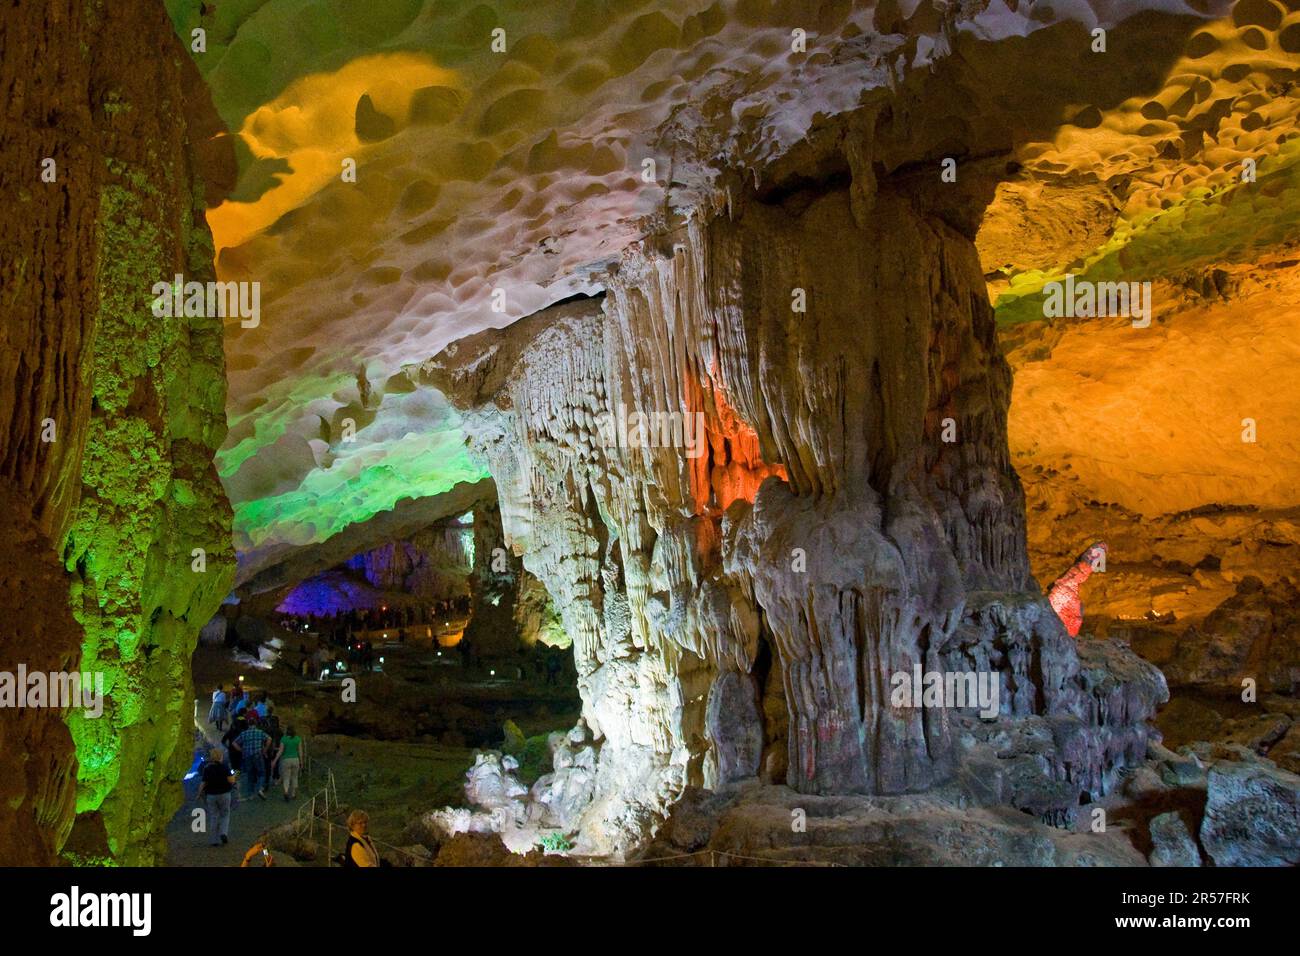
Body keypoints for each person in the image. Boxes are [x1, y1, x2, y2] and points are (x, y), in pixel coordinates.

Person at [196, 748, 235, 846]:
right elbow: (231, 781)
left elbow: (203, 783)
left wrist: (199, 794)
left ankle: (214, 840)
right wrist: (234, 778)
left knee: (214, 816)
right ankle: (223, 833)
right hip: (225, 794)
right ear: (221, 757)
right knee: (225, 814)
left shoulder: (207, 768)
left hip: (211, 795)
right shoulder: (225, 767)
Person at [232, 719, 272, 799]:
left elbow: (234, 743)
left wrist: (241, 750)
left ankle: (250, 794)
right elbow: (269, 739)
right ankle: (260, 788)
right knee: (261, 773)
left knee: (249, 774)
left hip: (247, 756)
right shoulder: (260, 732)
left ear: (248, 724)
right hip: (258, 755)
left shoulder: (244, 733)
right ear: (255, 724)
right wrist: (265, 749)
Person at [275, 725, 304, 801]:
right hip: (295, 759)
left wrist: (274, 760)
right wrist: (301, 761)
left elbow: (280, 751)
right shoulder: (298, 739)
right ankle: (293, 794)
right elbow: (300, 751)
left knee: (286, 777)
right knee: (294, 777)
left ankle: (286, 792)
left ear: (287, 731)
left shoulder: (283, 739)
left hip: (286, 760)